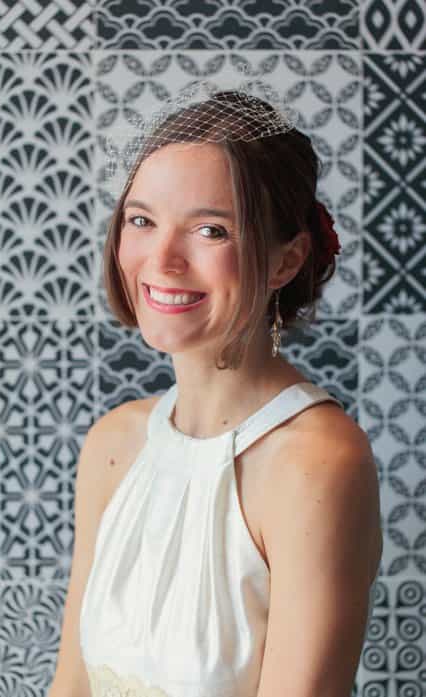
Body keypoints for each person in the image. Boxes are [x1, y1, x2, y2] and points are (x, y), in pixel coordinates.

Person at [47, 91, 382, 697]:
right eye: (142, 220)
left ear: (286, 260)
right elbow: (71, 682)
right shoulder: (113, 444)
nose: (163, 259)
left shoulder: (320, 463)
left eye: (210, 229)